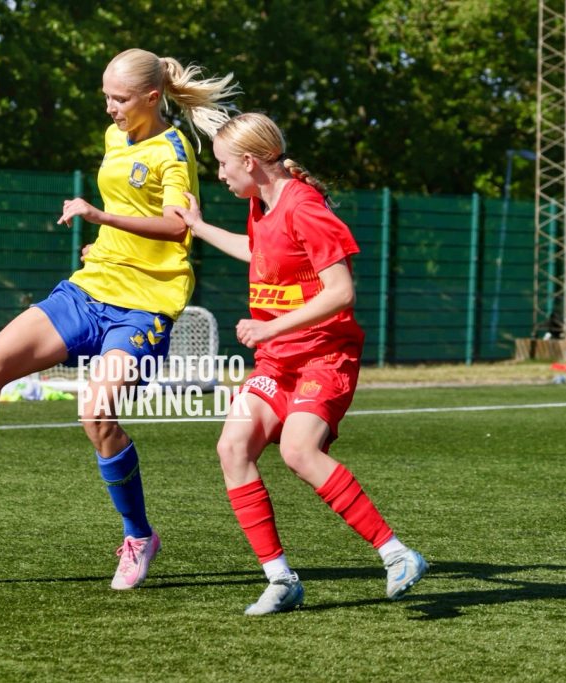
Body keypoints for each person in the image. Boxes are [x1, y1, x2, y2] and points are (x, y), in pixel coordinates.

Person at [0, 48, 239, 591]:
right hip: (90, 289)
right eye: (106, 97)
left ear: (150, 97)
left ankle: (139, 537)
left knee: (96, 415)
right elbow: (131, 210)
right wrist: (107, 240)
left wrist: (98, 215)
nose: (110, 108)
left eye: (120, 99)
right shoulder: (116, 135)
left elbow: (177, 227)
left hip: (144, 307)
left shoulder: (174, 150)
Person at [175, 112, 427, 615]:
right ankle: (281, 579)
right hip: (277, 362)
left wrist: (270, 327)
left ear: (251, 162)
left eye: (224, 164)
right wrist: (199, 228)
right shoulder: (261, 203)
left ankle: (397, 554)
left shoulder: (305, 207)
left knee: (297, 450)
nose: (219, 174)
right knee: (232, 447)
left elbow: (341, 291)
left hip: (324, 357)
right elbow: (259, 252)